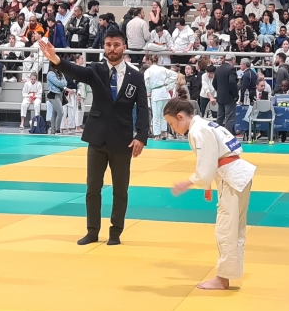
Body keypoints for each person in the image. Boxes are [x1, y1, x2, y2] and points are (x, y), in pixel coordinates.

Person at [39, 29, 150, 246]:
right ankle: (92, 231)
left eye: (116, 44)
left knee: (120, 190)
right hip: (97, 137)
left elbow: (143, 108)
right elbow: (76, 71)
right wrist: (56, 59)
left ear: (124, 46)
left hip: (123, 139)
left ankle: (115, 232)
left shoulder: (135, 76)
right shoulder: (96, 70)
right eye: (108, 44)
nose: (112, 49)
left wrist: (141, 136)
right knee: (92, 188)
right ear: (104, 46)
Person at [166, 98, 256, 290]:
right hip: (239, 175)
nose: (172, 128)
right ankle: (227, 274)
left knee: (225, 229)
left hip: (231, 178)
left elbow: (206, 167)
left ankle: (223, 279)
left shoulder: (197, 130)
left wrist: (187, 182)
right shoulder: (206, 124)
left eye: (172, 123)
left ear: (180, 117)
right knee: (235, 229)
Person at [144, 60, 178, 140]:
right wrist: (169, 86)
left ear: (149, 62)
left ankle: (157, 135)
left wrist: (148, 91)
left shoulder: (148, 71)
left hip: (156, 94)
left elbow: (147, 83)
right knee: (163, 114)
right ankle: (164, 133)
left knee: (156, 115)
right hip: (164, 93)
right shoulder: (162, 69)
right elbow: (175, 75)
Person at [213, 54, 239, 134]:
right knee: (229, 118)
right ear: (233, 60)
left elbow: (214, 83)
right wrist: (235, 95)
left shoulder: (218, 68)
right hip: (229, 97)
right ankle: (228, 136)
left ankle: (217, 134)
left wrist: (220, 91)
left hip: (220, 96)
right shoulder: (231, 69)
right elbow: (232, 82)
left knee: (220, 117)